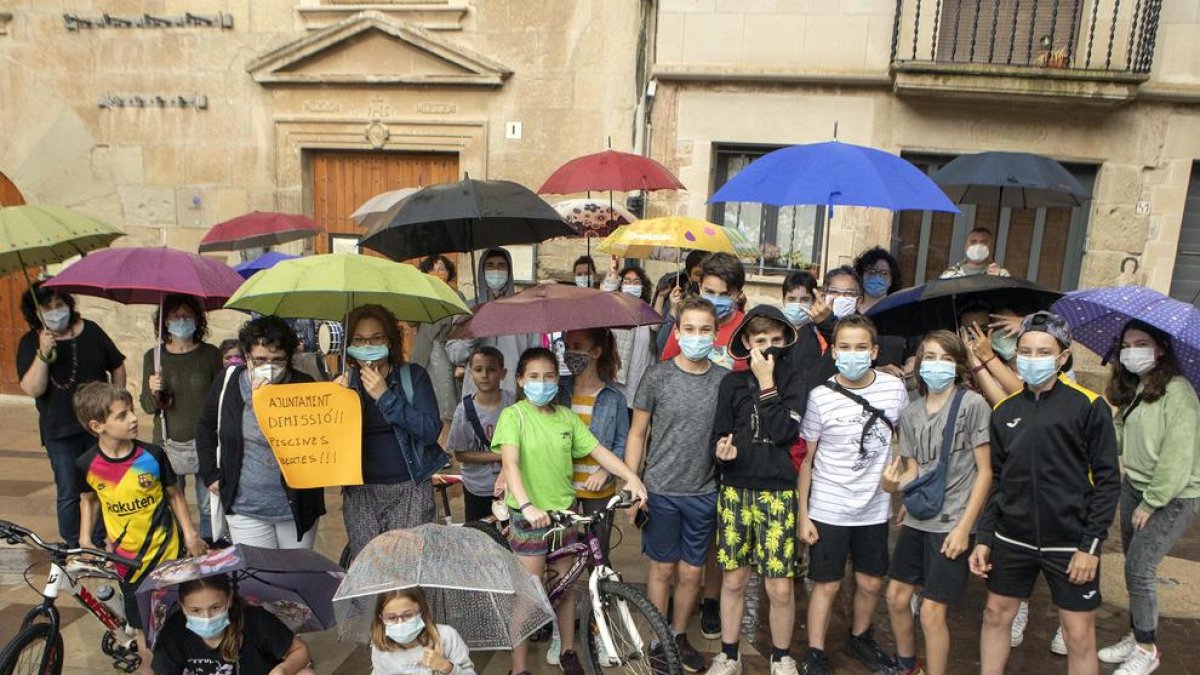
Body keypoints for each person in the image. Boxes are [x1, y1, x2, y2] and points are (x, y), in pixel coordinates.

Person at [970, 311, 1120, 675]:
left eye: (1043, 352)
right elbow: (998, 481)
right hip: (1012, 538)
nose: (1032, 359)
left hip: (1070, 544)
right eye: (1025, 351)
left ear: (1063, 356)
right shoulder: (1004, 411)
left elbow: (1107, 481)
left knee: (1078, 635)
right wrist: (985, 537)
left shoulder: (1089, 406)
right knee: (995, 614)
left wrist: (1090, 546)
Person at [491, 347, 648, 675]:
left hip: (565, 515)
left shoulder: (566, 417)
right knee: (528, 595)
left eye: (549, 376)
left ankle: (567, 651)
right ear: (520, 380)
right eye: (534, 376)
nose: (542, 383)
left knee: (566, 588)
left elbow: (599, 451)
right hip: (529, 519)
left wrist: (631, 477)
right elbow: (511, 464)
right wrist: (528, 506)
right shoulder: (514, 416)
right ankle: (518, 668)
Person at [797, 314, 909, 674]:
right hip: (828, 507)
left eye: (861, 347)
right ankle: (816, 652)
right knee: (826, 585)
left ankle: (860, 638)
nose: (852, 354)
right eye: (845, 347)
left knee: (871, 581)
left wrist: (905, 492)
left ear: (874, 351)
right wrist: (803, 515)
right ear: (834, 352)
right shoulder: (820, 397)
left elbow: (905, 444)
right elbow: (806, 460)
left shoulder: (894, 390)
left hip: (874, 507)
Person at [880, 331, 994, 675]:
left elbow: (985, 472)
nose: (937, 364)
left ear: (958, 365)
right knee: (896, 596)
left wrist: (964, 529)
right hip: (919, 519)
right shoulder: (911, 413)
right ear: (918, 362)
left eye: (946, 358)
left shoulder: (972, 405)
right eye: (930, 357)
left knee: (931, 611)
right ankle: (908, 664)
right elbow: (914, 471)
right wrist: (891, 485)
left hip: (952, 523)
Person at [74, 382, 207, 674]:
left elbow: (175, 495)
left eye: (132, 411)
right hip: (128, 564)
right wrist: (85, 539)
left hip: (168, 555)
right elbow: (88, 499)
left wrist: (190, 534)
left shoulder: (152, 455)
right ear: (97, 426)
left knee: (179, 616)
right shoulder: (87, 464)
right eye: (122, 415)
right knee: (143, 629)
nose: (134, 419)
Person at [624, 297, 726, 673]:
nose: (697, 336)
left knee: (692, 572)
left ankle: (679, 634)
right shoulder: (657, 376)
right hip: (661, 491)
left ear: (715, 334)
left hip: (704, 492)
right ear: (678, 332)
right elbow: (637, 433)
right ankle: (658, 639)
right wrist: (632, 483)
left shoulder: (724, 381)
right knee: (662, 570)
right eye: (689, 329)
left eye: (704, 329)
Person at [707, 305, 807, 675]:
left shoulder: (794, 380)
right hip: (736, 490)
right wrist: (722, 452)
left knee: (779, 586)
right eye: (760, 340)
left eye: (776, 340)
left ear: (786, 342)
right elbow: (719, 434)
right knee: (734, 580)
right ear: (747, 342)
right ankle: (728, 655)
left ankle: (781, 657)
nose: (768, 347)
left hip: (778, 492)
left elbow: (784, 432)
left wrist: (767, 383)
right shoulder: (731, 384)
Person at [1096, 320, 1200, 675]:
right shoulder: (1137, 388)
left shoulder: (1179, 393)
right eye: (1126, 345)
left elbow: (1177, 458)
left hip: (1172, 496)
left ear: (1160, 349)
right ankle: (1137, 632)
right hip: (1135, 486)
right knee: (1132, 564)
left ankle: (1147, 649)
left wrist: (1152, 502)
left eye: (1141, 343)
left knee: (1140, 568)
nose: (1132, 352)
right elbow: (1119, 440)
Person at [196, 316, 326, 549]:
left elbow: (321, 437)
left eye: (278, 360)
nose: (269, 365)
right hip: (245, 506)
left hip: (295, 507)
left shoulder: (303, 385)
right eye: (260, 359)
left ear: (288, 359)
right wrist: (210, 474)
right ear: (247, 356)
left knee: (296, 570)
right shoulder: (229, 382)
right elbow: (205, 426)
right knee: (257, 570)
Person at [17, 280, 125, 549]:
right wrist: (43, 353)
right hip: (59, 430)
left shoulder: (91, 331)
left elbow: (117, 365)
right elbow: (33, 388)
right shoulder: (30, 342)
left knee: (102, 485)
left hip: (98, 426)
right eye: (48, 308)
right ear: (36, 313)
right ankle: (74, 544)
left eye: (59, 304)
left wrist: (117, 401)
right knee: (68, 490)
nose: (56, 311)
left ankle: (98, 541)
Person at [334, 304, 445, 559]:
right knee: (370, 566)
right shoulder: (344, 384)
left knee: (409, 566)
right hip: (361, 494)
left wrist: (385, 397)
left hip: (410, 490)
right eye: (359, 340)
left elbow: (430, 431)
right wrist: (335, 401)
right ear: (349, 345)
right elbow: (330, 445)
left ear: (390, 341)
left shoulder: (413, 377)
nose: (367, 345)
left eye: (376, 338)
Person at [140, 294, 223, 542]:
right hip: (167, 442)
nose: (182, 320)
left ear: (198, 319)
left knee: (208, 504)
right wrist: (153, 390)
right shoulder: (153, 357)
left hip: (206, 441)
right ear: (165, 321)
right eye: (176, 316)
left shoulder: (210, 354)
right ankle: (177, 548)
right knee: (171, 503)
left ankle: (210, 549)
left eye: (188, 315)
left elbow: (220, 398)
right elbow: (147, 406)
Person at [153, 574, 316, 675]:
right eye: (195, 610)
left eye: (215, 607)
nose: (207, 617)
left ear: (229, 599)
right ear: (182, 606)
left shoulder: (255, 620)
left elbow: (300, 650)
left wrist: (283, 669)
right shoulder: (175, 629)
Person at [560, 328, 628, 558]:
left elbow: (621, 444)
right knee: (561, 554)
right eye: (567, 347)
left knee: (598, 556)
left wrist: (605, 472)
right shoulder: (557, 391)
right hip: (561, 487)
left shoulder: (615, 398)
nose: (570, 353)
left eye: (577, 347)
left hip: (599, 492)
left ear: (596, 352)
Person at [446, 247, 539, 397]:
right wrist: (471, 335)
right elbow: (454, 355)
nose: (496, 271)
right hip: (477, 394)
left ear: (509, 271)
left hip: (514, 392)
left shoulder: (524, 310)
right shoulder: (468, 309)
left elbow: (535, 355)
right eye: (490, 266)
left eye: (501, 266)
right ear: (482, 271)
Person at [448, 346, 514, 522]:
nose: (484, 375)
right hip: (477, 487)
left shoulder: (514, 404)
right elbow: (460, 454)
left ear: (503, 373)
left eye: (491, 369)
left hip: (512, 485)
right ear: (471, 373)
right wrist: (500, 455)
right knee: (478, 532)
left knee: (513, 532)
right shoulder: (463, 411)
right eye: (478, 370)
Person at [659, 252, 747, 372]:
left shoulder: (746, 329)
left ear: (738, 294)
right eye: (710, 292)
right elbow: (666, 369)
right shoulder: (687, 322)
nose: (716, 300)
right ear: (700, 287)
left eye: (725, 294)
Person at [370, 587, 475, 675]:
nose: (400, 623)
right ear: (381, 618)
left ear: (422, 610)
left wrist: (445, 666)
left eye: (408, 615)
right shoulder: (380, 647)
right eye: (391, 618)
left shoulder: (447, 636)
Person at [413, 254, 465, 426]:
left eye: (441, 269)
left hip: (445, 354)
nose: (437, 273)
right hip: (423, 354)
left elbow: (462, 328)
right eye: (432, 269)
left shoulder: (456, 296)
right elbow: (411, 321)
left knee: (446, 404)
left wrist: (461, 363)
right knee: (421, 396)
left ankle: (446, 437)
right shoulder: (421, 295)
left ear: (449, 272)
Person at [601, 259, 656, 409]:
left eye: (636, 282)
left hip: (641, 379)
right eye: (627, 281)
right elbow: (604, 298)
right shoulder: (615, 310)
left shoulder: (649, 312)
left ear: (643, 287)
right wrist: (613, 273)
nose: (631, 285)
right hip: (618, 380)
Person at [781, 270, 835, 385]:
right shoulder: (775, 331)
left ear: (813, 301)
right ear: (783, 300)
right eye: (791, 299)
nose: (798, 305)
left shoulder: (822, 333)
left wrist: (826, 321)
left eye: (805, 300)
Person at [940, 227, 1011, 278]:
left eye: (983, 242)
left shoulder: (1002, 275)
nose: (978, 246)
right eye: (973, 242)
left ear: (991, 247)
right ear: (965, 247)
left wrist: (995, 280)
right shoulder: (950, 275)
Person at [852, 246, 902, 314]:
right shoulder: (850, 310)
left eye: (884, 273)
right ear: (861, 276)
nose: (877, 277)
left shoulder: (898, 312)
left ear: (891, 280)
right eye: (871, 272)